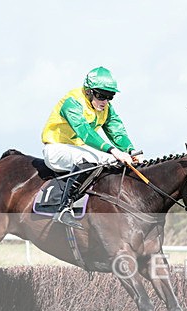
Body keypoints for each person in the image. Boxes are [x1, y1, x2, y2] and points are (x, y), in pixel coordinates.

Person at [41, 66, 139, 227]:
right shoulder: (72, 102)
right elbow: (85, 132)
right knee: (98, 157)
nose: (105, 101)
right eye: (101, 95)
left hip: (77, 149)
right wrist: (114, 150)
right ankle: (63, 209)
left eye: (110, 96)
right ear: (88, 91)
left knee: (114, 161)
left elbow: (117, 131)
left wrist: (131, 150)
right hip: (55, 149)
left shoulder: (106, 108)